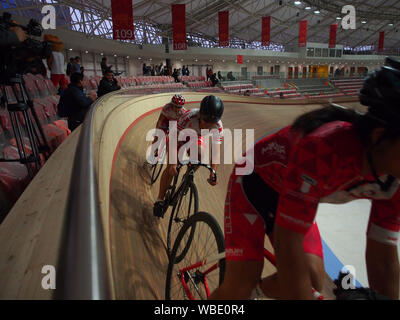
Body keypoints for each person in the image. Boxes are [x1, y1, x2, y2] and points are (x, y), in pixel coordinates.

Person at [209, 57, 400, 300]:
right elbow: (288, 245)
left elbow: (383, 260)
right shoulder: (326, 150)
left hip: (291, 191)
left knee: (314, 280)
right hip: (253, 183)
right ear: (379, 136)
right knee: (238, 288)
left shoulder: (393, 178)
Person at [153, 95, 224, 218]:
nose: (207, 125)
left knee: (200, 156)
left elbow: (216, 152)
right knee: (171, 168)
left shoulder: (218, 126)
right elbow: (174, 140)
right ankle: (160, 199)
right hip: (179, 136)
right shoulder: (188, 117)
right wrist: (173, 163)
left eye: (211, 123)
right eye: (205, 120)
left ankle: (187, 177)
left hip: (195, 137)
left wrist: (213, 172)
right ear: (200, 114)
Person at [150, 94, 188, 159]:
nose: (177, 109)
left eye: (179, 107)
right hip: (166, 121)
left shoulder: (184, 112)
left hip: (176, 124)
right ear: (172, 104)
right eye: (175, 106)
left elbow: (184, 127)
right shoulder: (166, 107)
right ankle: (153, 151)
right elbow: (160, 121)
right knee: (157, 136)